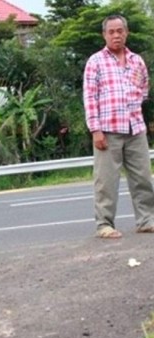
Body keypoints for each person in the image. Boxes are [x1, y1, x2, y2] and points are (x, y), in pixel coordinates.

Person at [83, 14, 154, 239]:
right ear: (104, 35)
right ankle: (104, 224)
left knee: (142, 177)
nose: (116, 35)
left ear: (126, 32)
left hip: (135, 129)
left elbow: (144, 89)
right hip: (108, 131)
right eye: (111, 31)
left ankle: (146, 220)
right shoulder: (95, 61)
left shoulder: (137, 61)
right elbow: (90, 97)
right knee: (106, 181)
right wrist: (96, 130)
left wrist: (131, 107)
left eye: (120, 31)